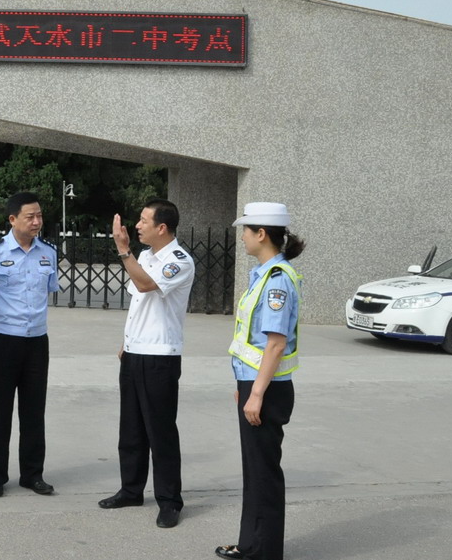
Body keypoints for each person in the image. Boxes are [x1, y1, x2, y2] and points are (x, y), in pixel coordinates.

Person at [215, 202, 305, 560]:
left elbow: (276, 344)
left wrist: (255, 394)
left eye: (246, 231)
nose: (243, 238)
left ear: (262, 234)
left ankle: (265, 552)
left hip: (266, 389)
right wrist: (245, 386)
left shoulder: (277, 281)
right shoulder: (263, 275)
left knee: (263, 473)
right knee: (254, 472)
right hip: (255, 384)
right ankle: (251, 545)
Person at [98, 198, 195, 529]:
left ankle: (169, 501)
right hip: (134, 352)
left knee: (160, 432)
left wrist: (122, 250)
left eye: (143, 221)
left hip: (160, 356)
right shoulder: (145, 256)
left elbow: (145, 285)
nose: (137, 225)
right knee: (131, 428)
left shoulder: (179, 261)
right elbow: (140, 304)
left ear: (162, 228)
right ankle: (131, 490)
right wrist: (127, 341)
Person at [0, 192, 59, 497]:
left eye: (40, 216)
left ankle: (32, 474)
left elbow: (47, 291)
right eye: (30, 217)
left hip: (37, 340)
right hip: (3, 340)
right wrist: (2, 316)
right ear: (12, 219)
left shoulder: (48, 252)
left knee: (34, 409)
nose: (37, 222)